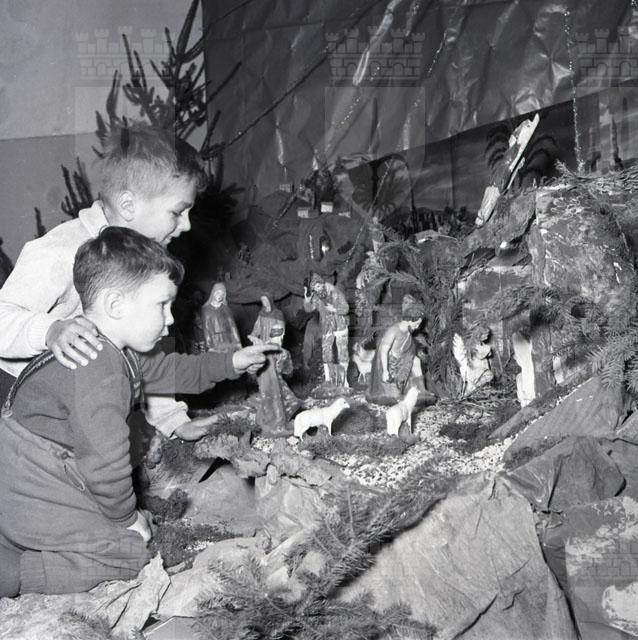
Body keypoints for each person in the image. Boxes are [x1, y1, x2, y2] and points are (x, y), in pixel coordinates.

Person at [0, 227, 275, 597]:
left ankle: (22, 537)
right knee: (129, 556)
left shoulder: (117, 349)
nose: (170, 319)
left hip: (36, 468)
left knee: (113, 526)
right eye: (161, 305)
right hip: (30, 478)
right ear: (116, 305)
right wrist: (126, 520)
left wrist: (231, 362)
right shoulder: (100, 368)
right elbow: (105, 463)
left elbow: (174, 371)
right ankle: (13, 572)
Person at [0, 122, 209, 440]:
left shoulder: (147, 262)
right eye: (177, 212)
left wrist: (173, 420)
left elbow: (148, 347)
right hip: (19, 402)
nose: (187, 225)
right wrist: (50, 330)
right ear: (128, 206)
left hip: (80, 401)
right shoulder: (59, 251)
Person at [248, 295, 300, 433]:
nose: (264, 303)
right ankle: (275, 421)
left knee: (283, 398)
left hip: (270, 350)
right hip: (267, 357)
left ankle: (277, 418)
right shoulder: (261, 314)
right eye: (262, 301)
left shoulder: (278, 314)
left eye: (266, 300)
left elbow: (279, 330)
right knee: (277, 399)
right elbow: (256, 329)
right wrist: (254, 337)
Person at [366, 294, 429, 405]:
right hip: (391, 366)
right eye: (416, 324)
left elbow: (408, 351)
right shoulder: (393, 331)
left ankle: (422, 389)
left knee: (416, 360)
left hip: (402, 363)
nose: (417, 327)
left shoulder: (407, 332)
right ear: (409, 320)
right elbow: (383, 350)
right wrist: (385, 371)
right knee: (394, 397)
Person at [303, 273, 350, 385]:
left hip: (340, 326)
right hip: (326, 328)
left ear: (322, 284)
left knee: (342, 353)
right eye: (314, 288)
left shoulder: (335, 293)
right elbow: (309, 309)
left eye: (318, 286)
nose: (317, 290)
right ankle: (328, 379)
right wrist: (307, 299)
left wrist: (334, 309)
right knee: (326, 352)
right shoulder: (316, 296)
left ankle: (344, 381)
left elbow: (346, 308)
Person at [201, 282, 242, 353]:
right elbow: (206, 328)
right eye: (218, 293)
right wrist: (209, 345)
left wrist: (238, 342)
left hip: (228, 339)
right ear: (213, 293)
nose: (220, 296)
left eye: (222, 294)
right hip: (215, 341)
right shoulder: (206, 310)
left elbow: (232, 326)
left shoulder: (226, 309)